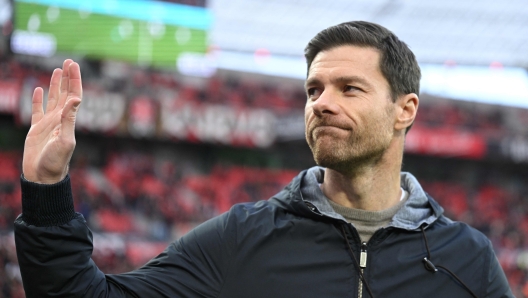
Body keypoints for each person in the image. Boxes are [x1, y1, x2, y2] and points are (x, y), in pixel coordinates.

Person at [14, 21, 512, 298]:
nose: (322, 102)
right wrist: (47, 188)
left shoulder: (467, 259)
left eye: (349, 88)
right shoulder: (240, 239)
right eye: (313, 89)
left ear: (405, 110)